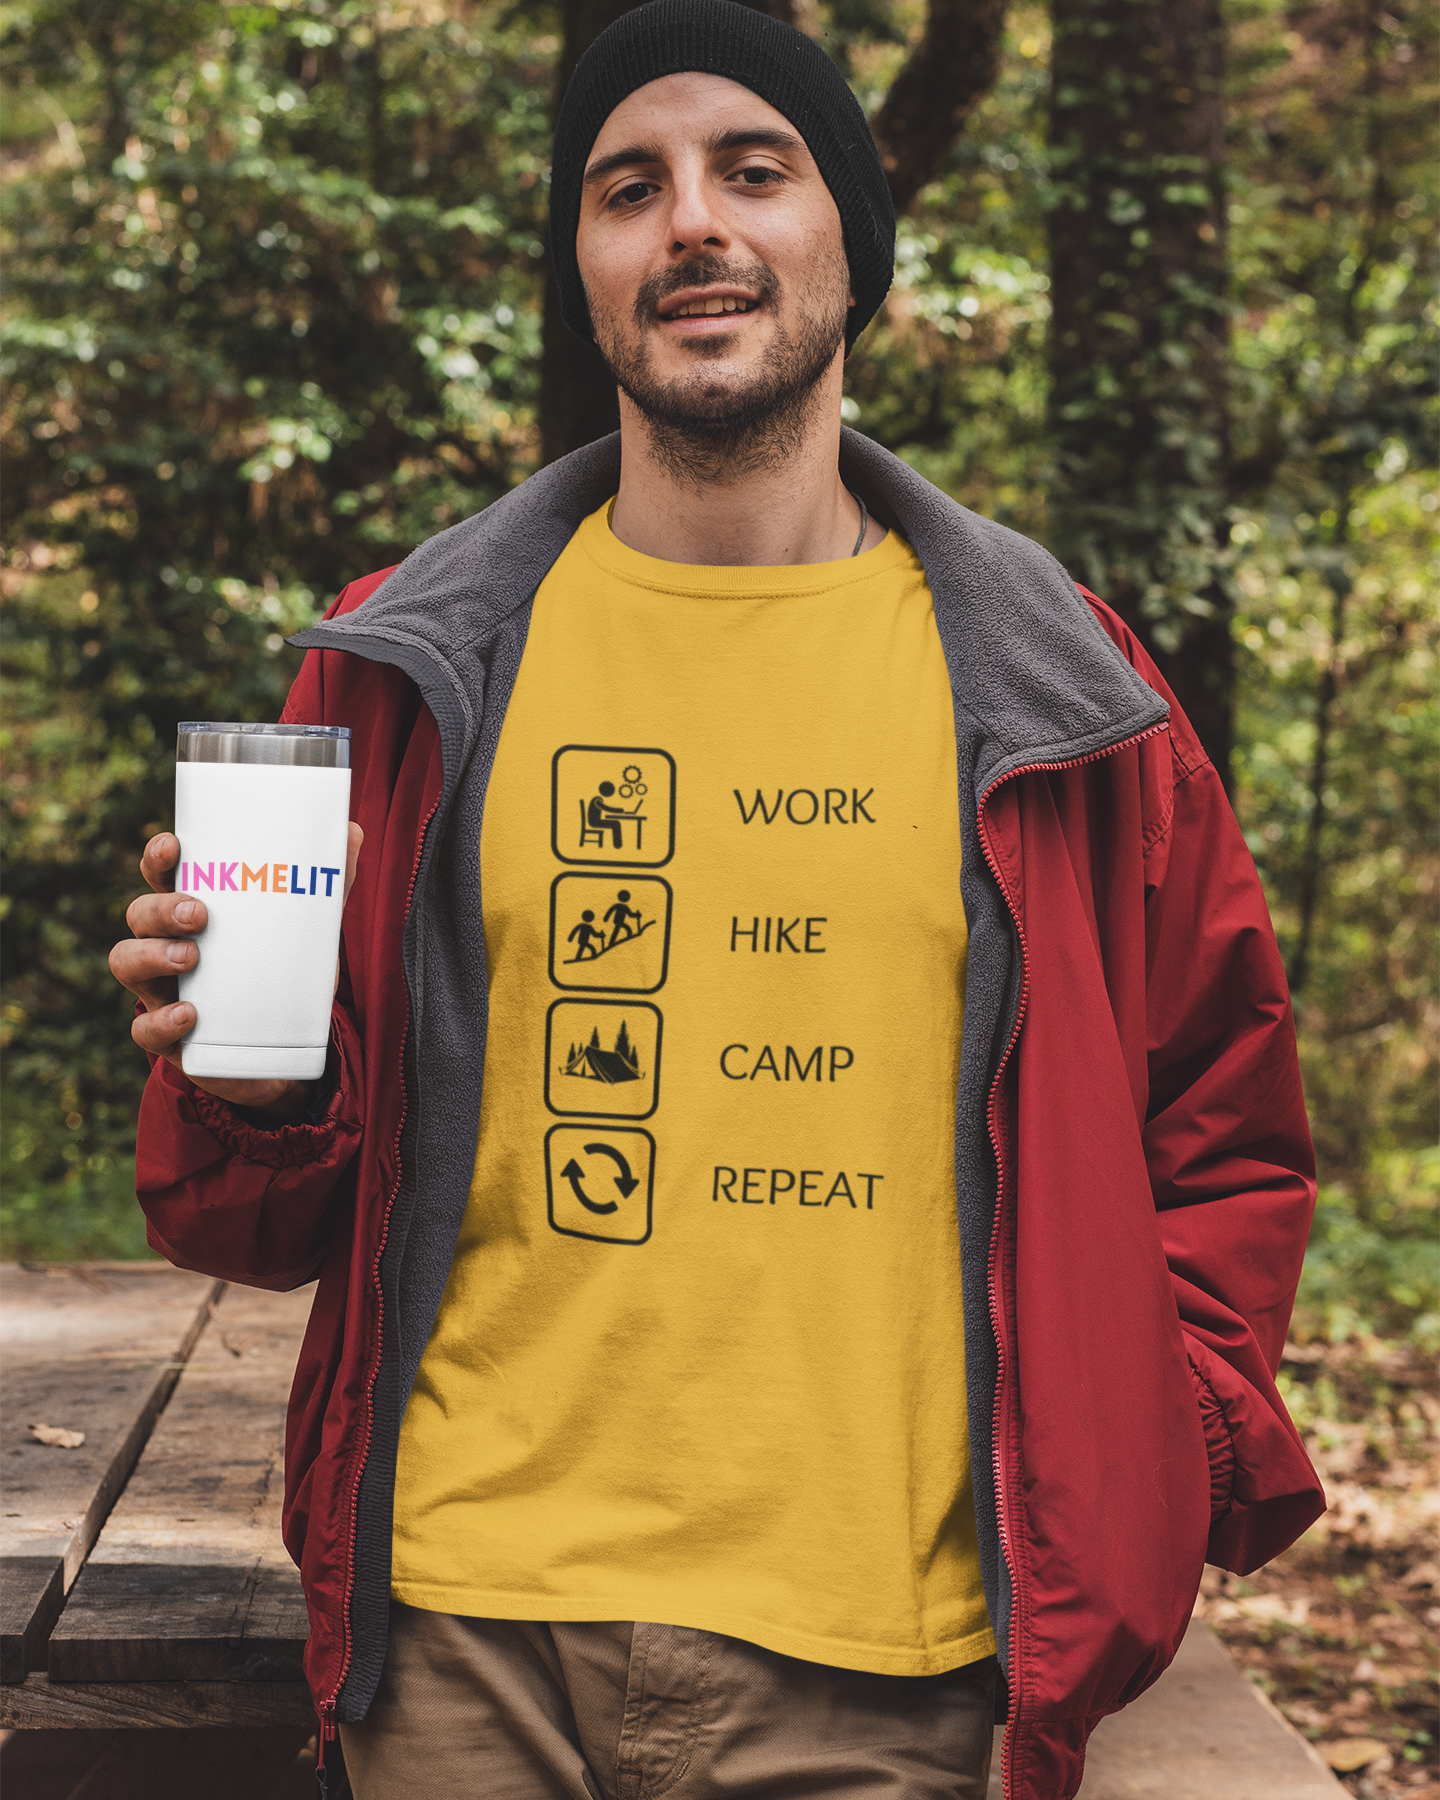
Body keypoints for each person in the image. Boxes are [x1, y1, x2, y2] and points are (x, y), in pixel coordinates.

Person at [108, 3, 1324, 1795]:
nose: (692, 222)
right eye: (628, 187)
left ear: (850, 237)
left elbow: (1225, 1132)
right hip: (461, 1642)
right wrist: (239, 1068)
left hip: (895, 1671)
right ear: (585, 266)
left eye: (755, 170)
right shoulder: (411, 665)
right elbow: (257, 1217)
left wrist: (1169, 1448)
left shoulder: (1063, 695)